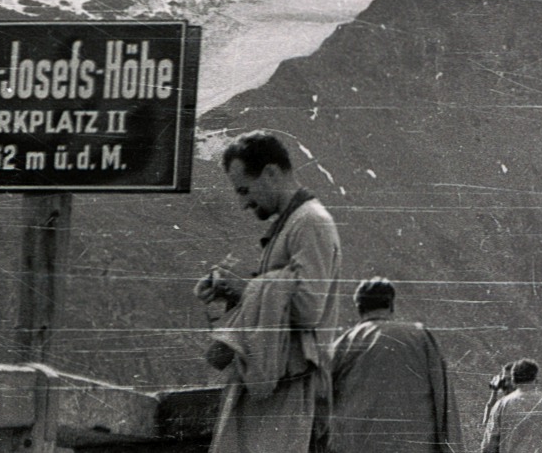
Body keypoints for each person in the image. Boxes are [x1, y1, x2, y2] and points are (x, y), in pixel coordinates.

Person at [196, 130, 343, 453]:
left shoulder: (310, 223)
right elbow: (278, 298)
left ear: (272, 173)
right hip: (277, 387)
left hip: (290, 388)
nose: (243, 203)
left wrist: (247, 289)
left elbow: (307, 309)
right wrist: (236, 293)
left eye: (244, 190)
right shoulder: (293, 224)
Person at [328, 277, 463, 453]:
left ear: (359, 308)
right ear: (391, 305)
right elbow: (444, 402)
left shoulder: (344, 344)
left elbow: (323, 404)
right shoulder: (420, 337)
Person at [479, 359, 542, 453]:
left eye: (507, 380)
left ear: (514, 379)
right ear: (536, 379)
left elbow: (489, 445)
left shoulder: (501, 405)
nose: (505, 384)